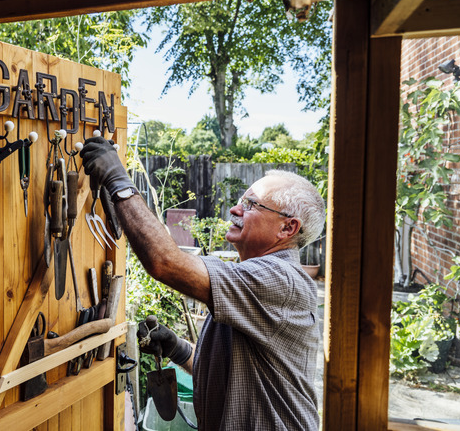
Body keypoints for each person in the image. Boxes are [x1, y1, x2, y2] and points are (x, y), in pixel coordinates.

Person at [80, 137, 325, 430]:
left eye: (251, 205)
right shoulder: (254, 276)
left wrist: (118, 180)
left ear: (288, 227)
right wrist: (178, 349)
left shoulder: (281, 280)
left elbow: (165, 262)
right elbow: (230, 375)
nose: (235, 210)